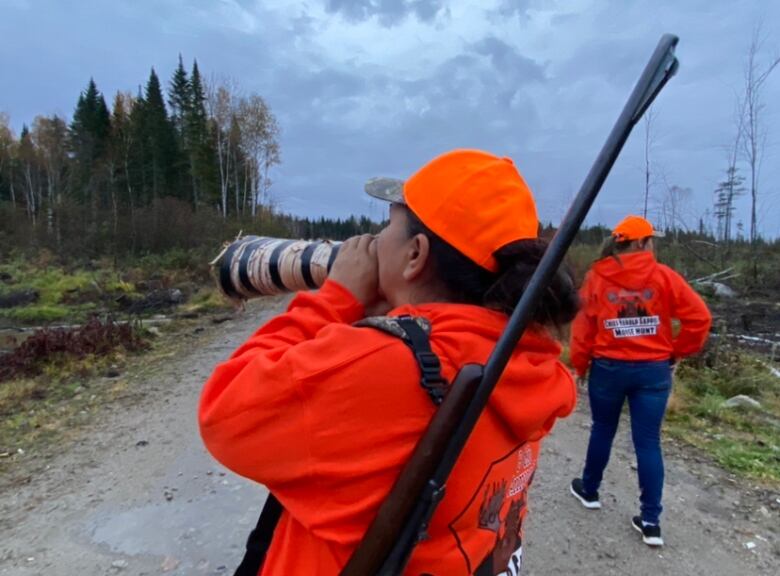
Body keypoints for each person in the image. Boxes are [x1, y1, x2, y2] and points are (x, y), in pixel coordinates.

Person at [199, 149, 580, 575]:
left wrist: (334, 301)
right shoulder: (522, 357)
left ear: (415, 254)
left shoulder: (393, 364)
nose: (374, 241)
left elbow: (225, 412)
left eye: (388, 225)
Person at [568, 215, 712, 547]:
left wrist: (580, 366)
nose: (654, 244)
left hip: (608, 368)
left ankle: (589, 490)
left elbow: (582, 328)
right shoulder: (664, 277)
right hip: (652, 371)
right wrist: (677, 352)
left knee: (603, 428)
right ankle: (651, 522)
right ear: (642, 243)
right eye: (652, 239)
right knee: (648, 443)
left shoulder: (597, 277)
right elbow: (700, 318)